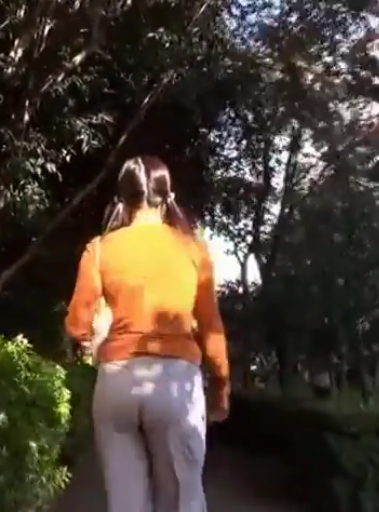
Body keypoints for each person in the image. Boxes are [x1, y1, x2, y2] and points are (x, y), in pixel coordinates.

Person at [65, 155, 230, 512]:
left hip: (116, 383)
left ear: (122, 198)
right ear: (167, 195)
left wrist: (96, 338)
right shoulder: (193, 249)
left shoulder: (99, 249)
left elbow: (77, 325)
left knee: (125, 503)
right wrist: (220, 386)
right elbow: (211, 326)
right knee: (181, 501)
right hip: (176, 383)